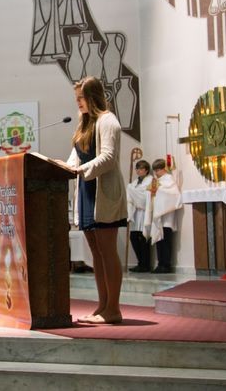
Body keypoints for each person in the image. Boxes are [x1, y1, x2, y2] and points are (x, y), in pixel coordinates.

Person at [66, 76, 127, 324]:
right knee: (96, 252)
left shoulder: (108, 121)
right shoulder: (85, 123)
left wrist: (80, 170)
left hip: (104, 191)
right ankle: (102, 306)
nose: (78, 102)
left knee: (107, 251)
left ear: (93, 97)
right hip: (87, 190)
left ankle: (113, 308)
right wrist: (64, 167)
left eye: (81, 97)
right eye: (76, 98)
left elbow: (109, 157)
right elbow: (76, 157)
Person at [144, 158, 182, 274]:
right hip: (158, 215)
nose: (156, 173)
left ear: (163, 169)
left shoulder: (169, 179)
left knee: (166, 240)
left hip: (166, 216)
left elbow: (174, 195)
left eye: (157, 170)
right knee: (159, 240)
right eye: (155, 170)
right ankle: (160, 264)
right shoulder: (156, 181)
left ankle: (166, 265)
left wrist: (158, 191)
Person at [126, 160, 152, 272]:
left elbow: (145, 196)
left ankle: (145, 264)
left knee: (144, 238)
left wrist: (133, 192)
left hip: (145, 212)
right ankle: (140, 262)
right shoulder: (134, 183)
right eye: (137, 168)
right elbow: (130, 196)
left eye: (141, 169)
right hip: (135, 213)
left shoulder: (151, 181)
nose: (138, 171)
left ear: (146, 170)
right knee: (133, 237)